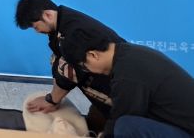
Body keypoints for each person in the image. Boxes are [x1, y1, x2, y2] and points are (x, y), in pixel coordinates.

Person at [15, 0, 124, 133]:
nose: (37, 31)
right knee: (93, 123)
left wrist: (51, 101)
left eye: (35, 27)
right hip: (103, 90)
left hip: (121, 90)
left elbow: (68, 73)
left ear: (47, 15)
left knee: (115, 127)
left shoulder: (74, 33)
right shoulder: (62, 22)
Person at [60, 28, 194, 138]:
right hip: (180, 122)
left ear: (93, 55)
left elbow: (121, 117)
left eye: (84, 66)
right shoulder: (128, 52)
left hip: (187, 131)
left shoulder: (126, 76)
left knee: (125, 126)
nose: (87, 70)